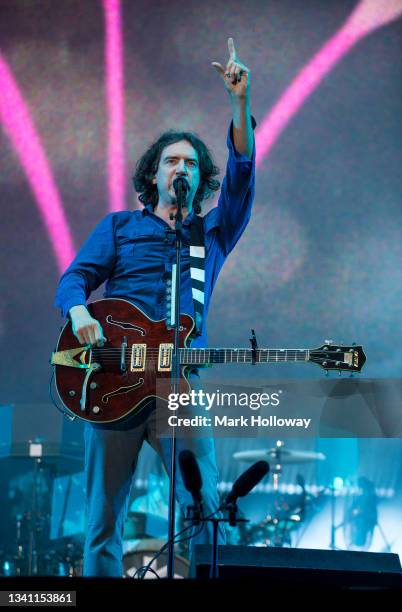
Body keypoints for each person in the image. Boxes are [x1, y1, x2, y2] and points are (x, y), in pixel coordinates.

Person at [54, 37, 256, 577]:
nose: (180, 168)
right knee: (103, 525)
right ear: (153, 174)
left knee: (205, 513)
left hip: (178, 386)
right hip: (114, 382)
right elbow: (75, 278)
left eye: (190, 162)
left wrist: (238, 106)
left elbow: (241, 178)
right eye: (171, 160)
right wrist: (79, 314)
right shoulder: (120, 226)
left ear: (198, 177)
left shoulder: (210, 231)